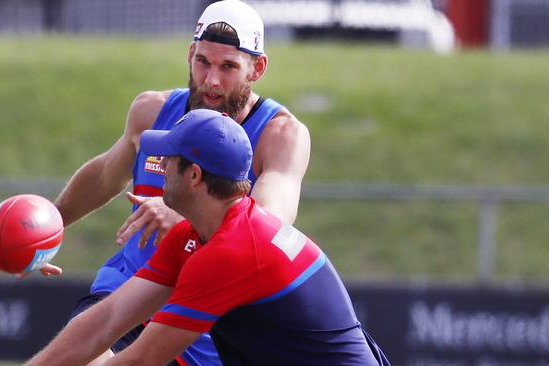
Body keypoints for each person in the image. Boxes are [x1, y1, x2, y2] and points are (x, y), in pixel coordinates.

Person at [37, 0, 311, 365]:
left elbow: (268, 224)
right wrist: (45, 229)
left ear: (257, 68)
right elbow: (105, 176)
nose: (212, 81)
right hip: (130, 287)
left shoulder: (281, 135)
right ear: (190, 55)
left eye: (228, 66)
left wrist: (185, 217)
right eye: (203, 62)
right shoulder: (152, 111)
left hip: (208, 317)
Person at [26, 109, 390, 366]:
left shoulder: (230, 251)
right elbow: (109, 318)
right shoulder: (194, 234)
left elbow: (140, 359)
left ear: (195, 176)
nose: (160, 166)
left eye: (169, 158)